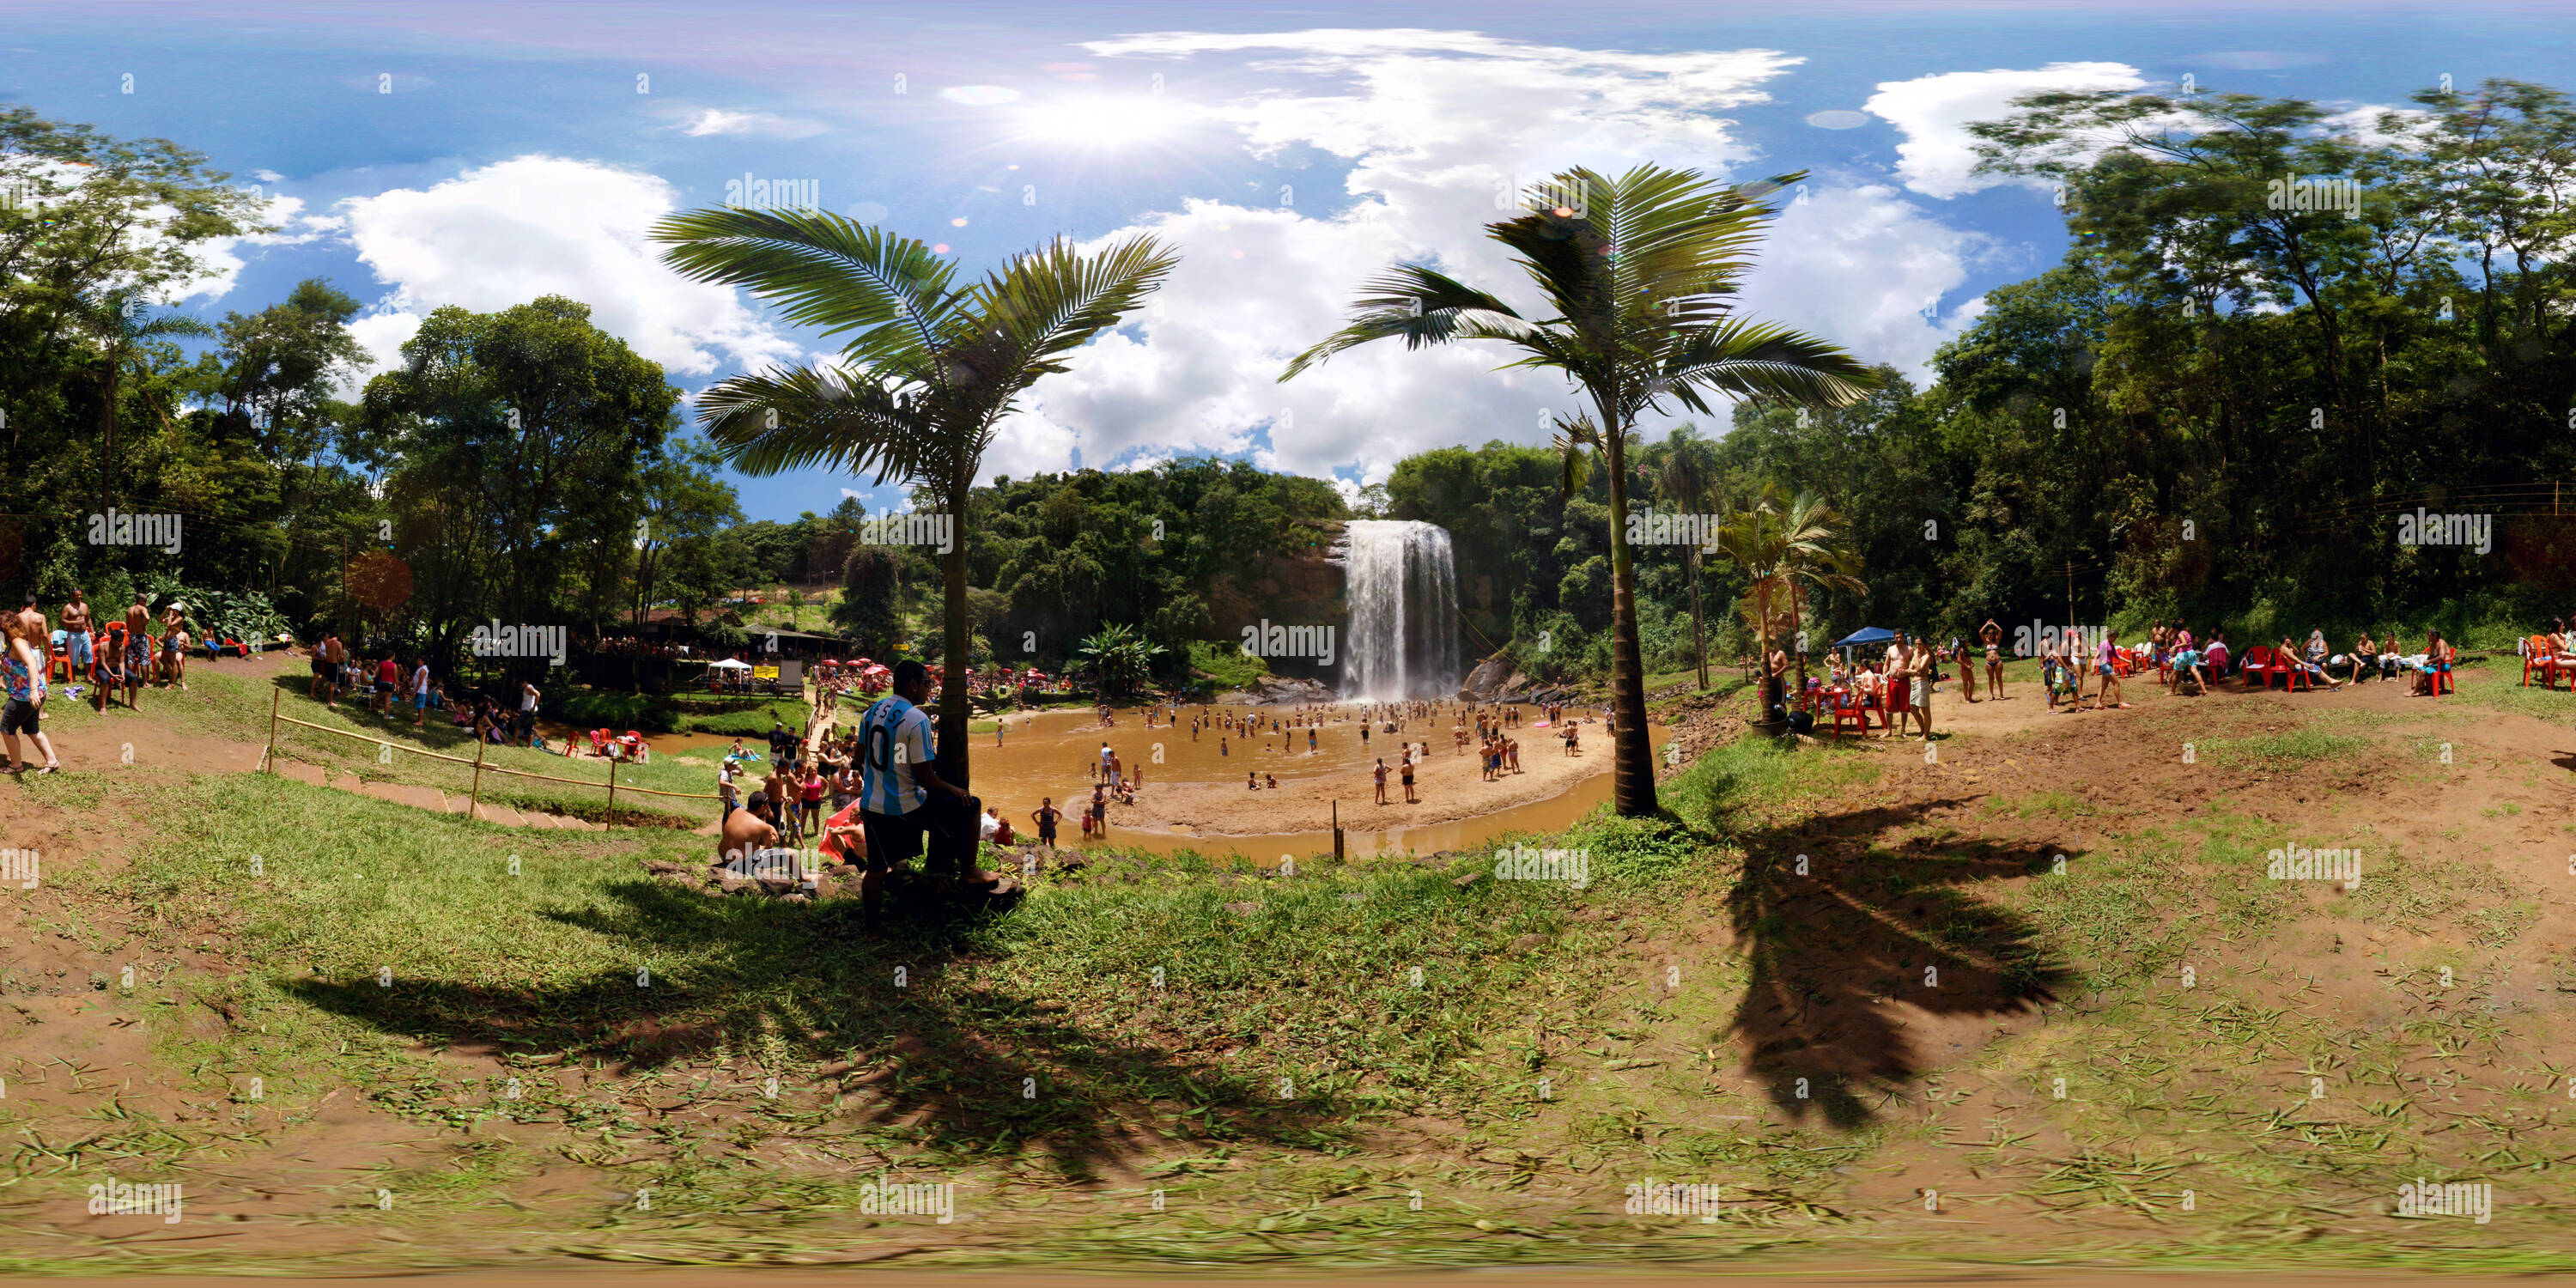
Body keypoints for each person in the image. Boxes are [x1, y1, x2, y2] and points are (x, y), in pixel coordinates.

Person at [856, 659, 980, 913]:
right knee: (971, 805)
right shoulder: (916, 719)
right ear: (913, 685)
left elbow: (859, 758)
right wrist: (955, 790)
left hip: (870, 805)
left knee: (875, 871)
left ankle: (872, 929)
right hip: (905, 808)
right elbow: (926, 779)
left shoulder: (869, 713)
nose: (929, 689)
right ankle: (969, 871)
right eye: (927, 683)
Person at [3, 622, 60, 774]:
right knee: (32, 729)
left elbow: (32, 664)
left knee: (6, 728)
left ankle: (16, 765)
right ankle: (52, 761)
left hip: (25, 696)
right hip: (27, 694)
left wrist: (33, 691)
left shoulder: (17, 642)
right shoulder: (12, 642)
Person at [60, 590, 93, 694]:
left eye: (80, 595)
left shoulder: (85, 606)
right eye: (77, 595)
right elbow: (62, 621)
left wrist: (92, 630)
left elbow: (88, 619)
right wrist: (75, 622)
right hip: (73, 634)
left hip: (84, 633)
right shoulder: (68, 607)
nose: (79, 597)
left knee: (88, 653)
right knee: (74, 657)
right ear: (72, 596)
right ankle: (73, 677)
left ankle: (88, 677)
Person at [2094, 628, 2128, 710]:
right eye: (2114, 637)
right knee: (2116, 683)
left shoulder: (2111, 645)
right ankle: (2120, 703)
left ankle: (2098, 703)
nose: (2115, 639)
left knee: (2104, 686)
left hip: (2107, 665)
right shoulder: (2104, 643)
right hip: (2105, 665)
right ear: (2109, 636)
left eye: (2116, 637)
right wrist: (2092, 667)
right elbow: (2096, 655)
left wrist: (2127, 660)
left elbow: (2117, 656)